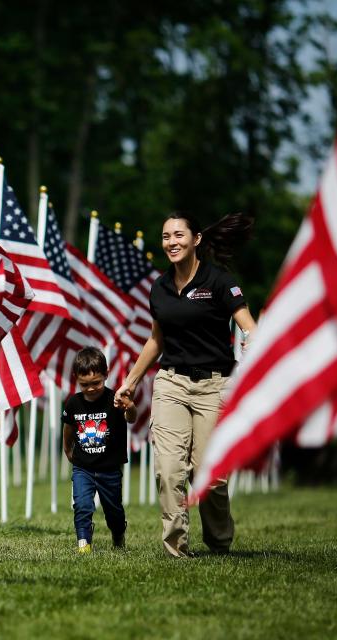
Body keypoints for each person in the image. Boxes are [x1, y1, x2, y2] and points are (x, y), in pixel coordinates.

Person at [114, 212, 257, 558]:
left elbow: (248, 327)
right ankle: (176, 547)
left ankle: (219, 542)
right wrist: (130, 382)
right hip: (171, 383)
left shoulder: (219, 281)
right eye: (166, 236)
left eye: (178, 235)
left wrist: (255, 347)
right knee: (168, 470)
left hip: (214, 385)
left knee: (211, 476)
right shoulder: (159, 288)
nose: (171, 242)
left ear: (196, 240)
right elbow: (155, 340)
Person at [62, 347, 137, 554]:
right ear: (76, 378)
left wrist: (129, 406)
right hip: (83, 468)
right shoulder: (73, 403)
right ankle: (83, 542)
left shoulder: (115, 400)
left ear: (106, 373)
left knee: (113, 511)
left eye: (96, 383)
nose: (91, 389)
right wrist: (67, 449)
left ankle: (118, 534)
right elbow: (68, 427)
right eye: (84, 384)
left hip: (109, 469)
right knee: (82, 505)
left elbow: (132, 418)